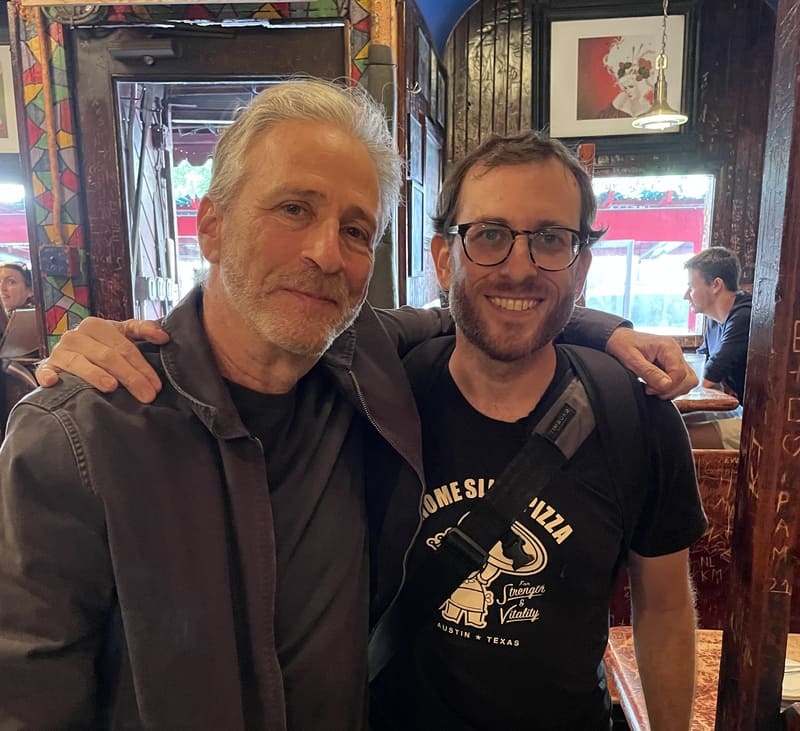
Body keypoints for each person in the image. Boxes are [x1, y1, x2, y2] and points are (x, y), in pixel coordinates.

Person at [1, 79, 696, 729]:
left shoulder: (363, 365)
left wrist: (607, 329)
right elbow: (28, 693)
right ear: (210, 224)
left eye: (357, 230)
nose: (326, 253)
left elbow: (505, 312)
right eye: (293, 207)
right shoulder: (83, 432)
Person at [366, 132, 706, 730]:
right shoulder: (383, 398)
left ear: (581, 265)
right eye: (490, 235)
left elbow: (665, 606)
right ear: (446, 257)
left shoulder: (637, 414)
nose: (519, 268)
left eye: (551, 239)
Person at [683, 246, 750, 449]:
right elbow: (699, 368)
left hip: (762, 425)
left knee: (675, 436)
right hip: (741, 411)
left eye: (691, 287)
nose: (685, 295)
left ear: (716, 285)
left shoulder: (745, 316)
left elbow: (709, 377)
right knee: (670, 424)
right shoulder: (714, 320)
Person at [597, 39, 655, 119]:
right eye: (625, 88)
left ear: (641, 86)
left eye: (631, 86)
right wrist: (614, 106)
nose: (628, 91)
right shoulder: (618, 105)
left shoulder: (650, 109)